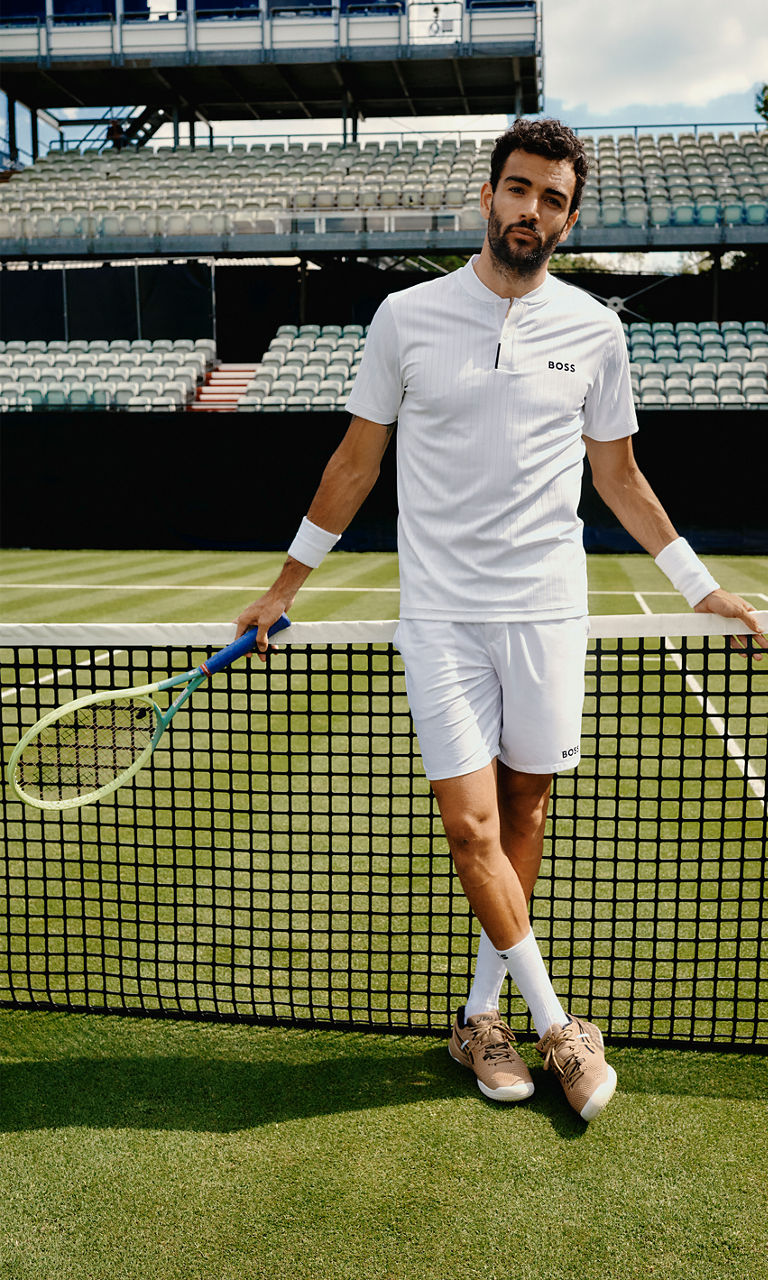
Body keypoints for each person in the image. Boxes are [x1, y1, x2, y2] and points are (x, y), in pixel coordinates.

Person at [234, 117, 766, 1122]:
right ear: (490, 196)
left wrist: (700, 585)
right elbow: (355, 463)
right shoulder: (405, 316)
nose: (533, 210)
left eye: (554, 198)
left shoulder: (596, 332)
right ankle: (562, 1027)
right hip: (440, 618)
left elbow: (619, 475)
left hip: (551, 615)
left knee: (524, 816)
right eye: (519, 190)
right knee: (469, 821)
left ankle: (482, 1017)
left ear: (570, 217)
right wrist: (284, 588)